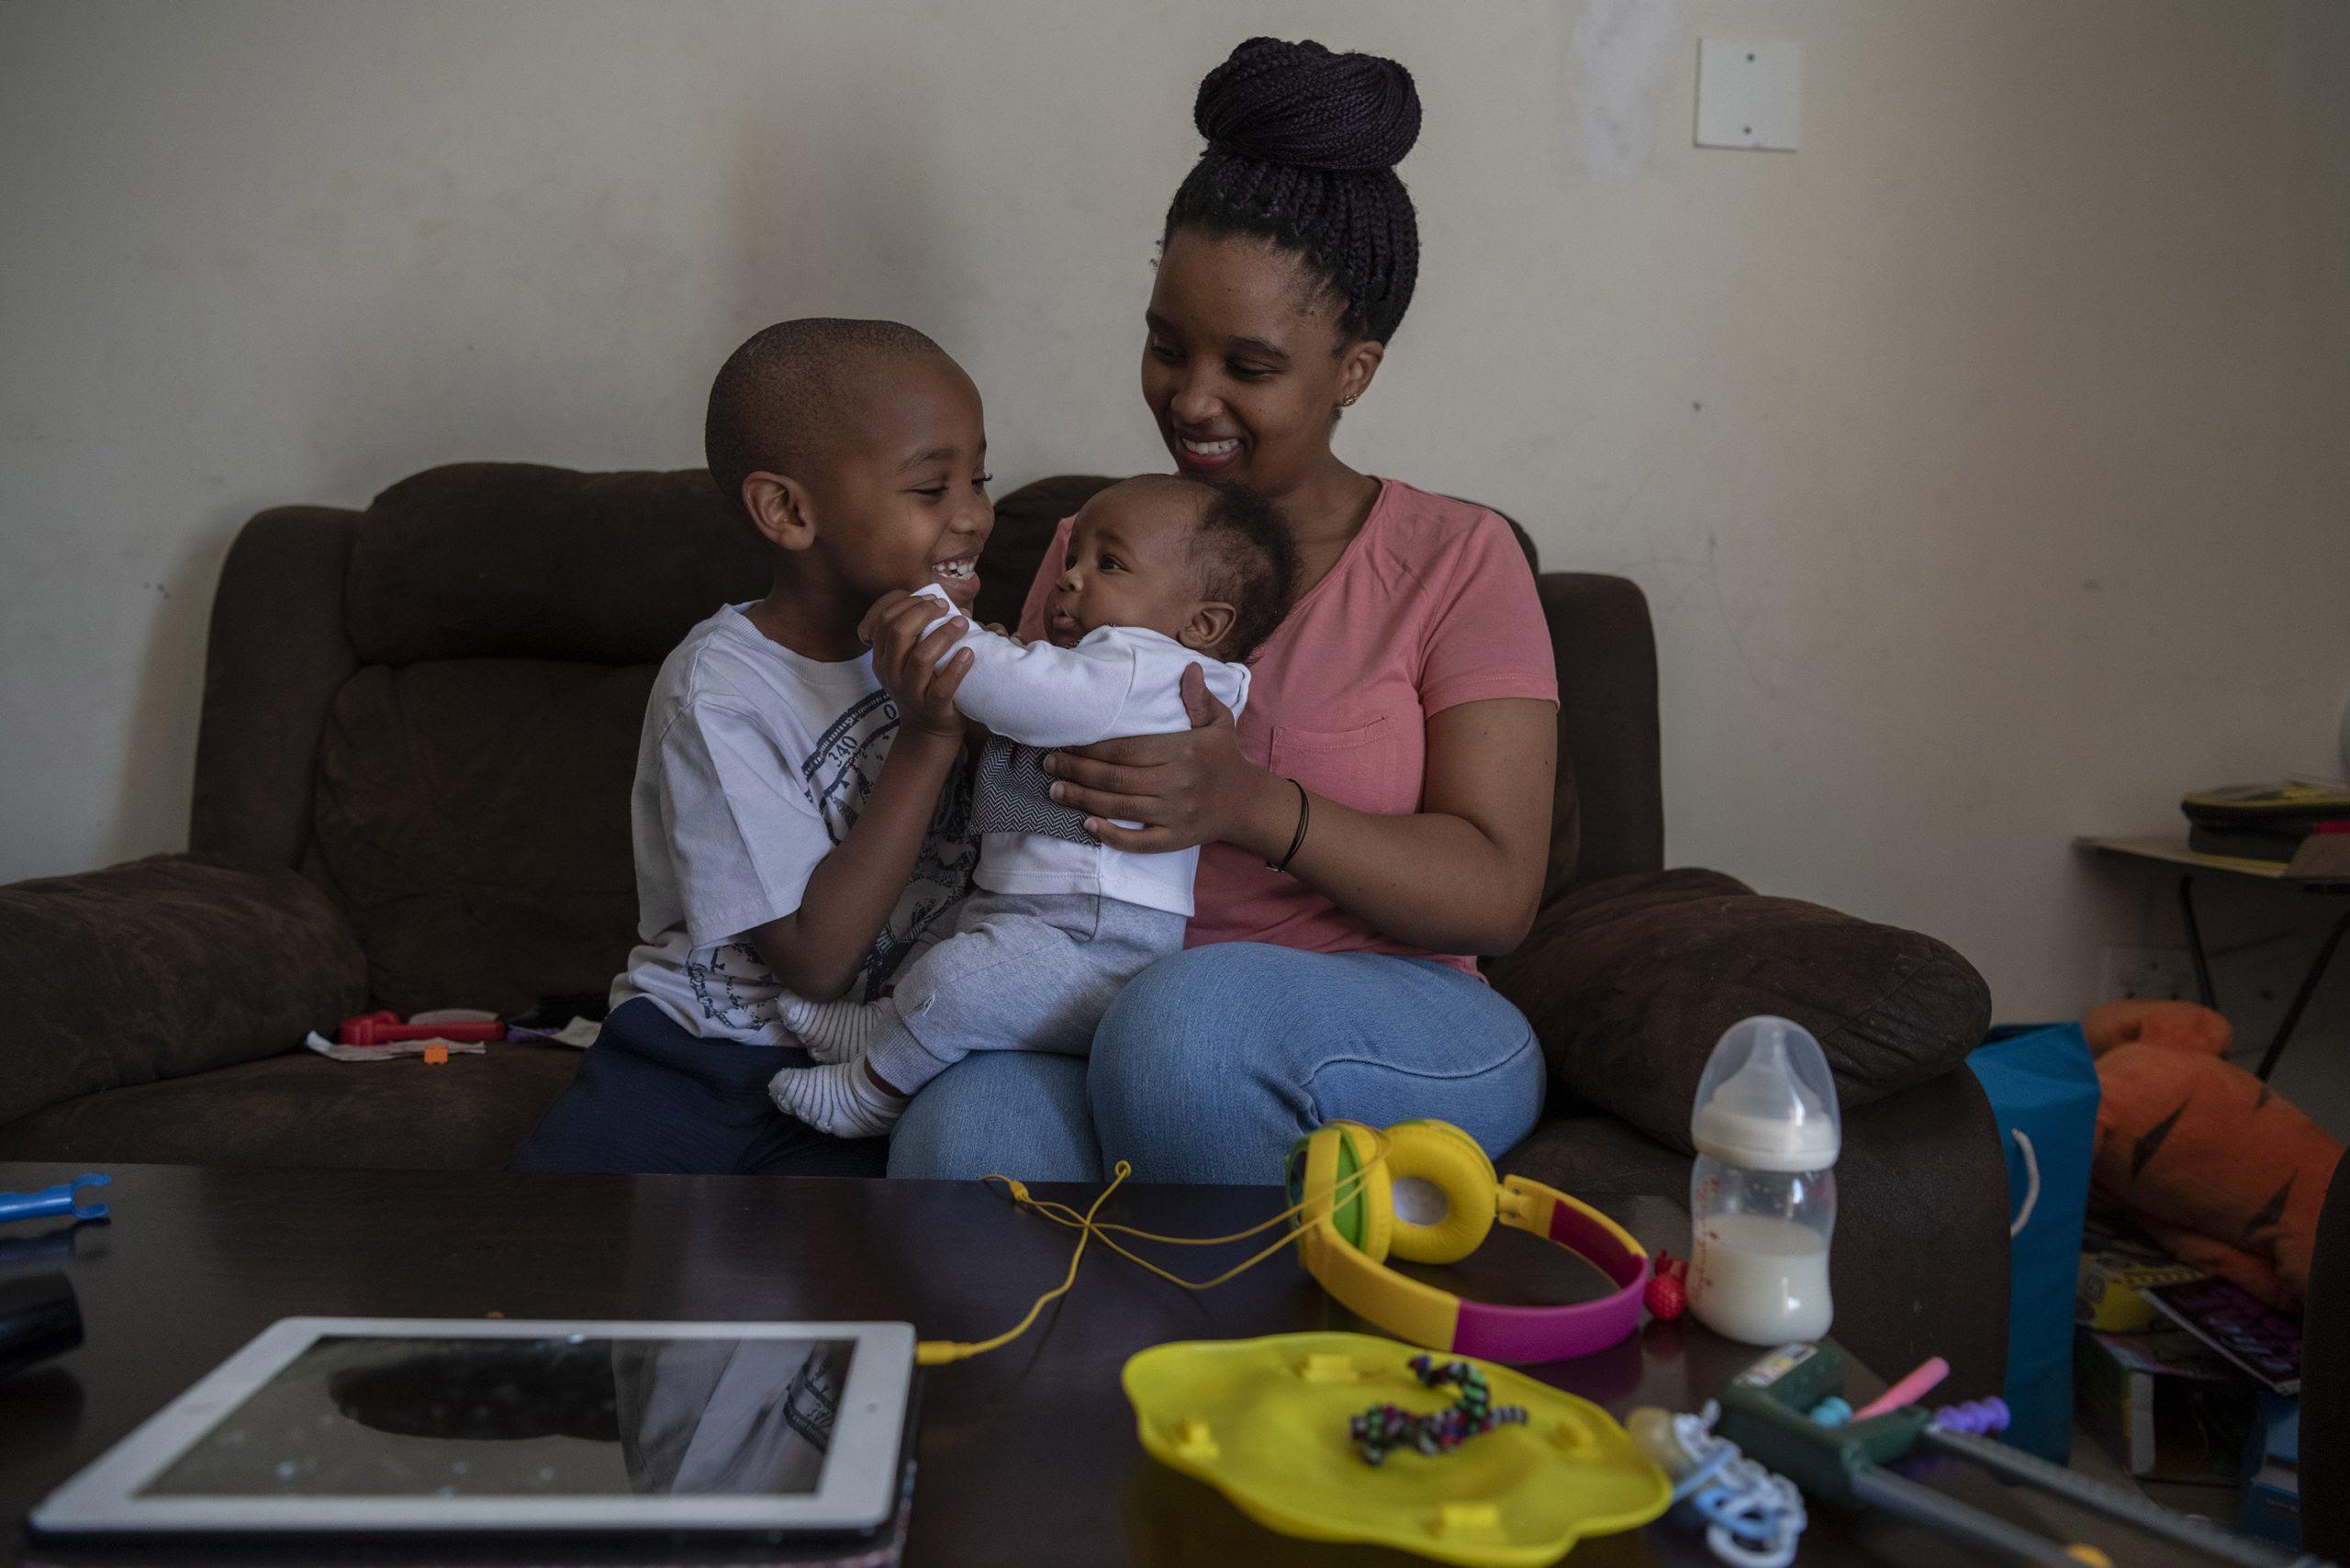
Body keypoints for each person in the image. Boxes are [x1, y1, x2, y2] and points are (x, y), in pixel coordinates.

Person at [889, 38, 1558, 1184]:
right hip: (1100, 984)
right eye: (1164, 345)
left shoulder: (1457, 559)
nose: (1190, 400)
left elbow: (1496, 894)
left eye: (1247, 367)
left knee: (1184, 1033)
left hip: (1390, 1016)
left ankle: (1262, 1367)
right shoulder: (1096, 544)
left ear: (1353, 368)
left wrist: (1249, 803)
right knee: (964, 1137)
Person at [511, 318, 992, 1176]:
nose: (976, 516)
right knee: (564, 1254)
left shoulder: (966, 653)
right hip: (699, 1060)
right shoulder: (718, 693)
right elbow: (814, 956)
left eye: (980, 479)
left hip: (869, 1071)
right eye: (932, 490)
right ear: (789, 511)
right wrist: (929, 740)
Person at [767, 475, 1293, 1137]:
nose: (1069, 580)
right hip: (1038, 910)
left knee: (962, 982)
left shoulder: (1151, 664)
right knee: (940, 940)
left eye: (1109, 564)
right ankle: (878, 1027)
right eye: (1072, 560)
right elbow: (1033, 694)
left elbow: (1034, 696)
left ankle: (872, 1092)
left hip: (1100, 939)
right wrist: (1003, 656)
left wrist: (941, 623)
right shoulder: (1107, 667)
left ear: (1202, 623)